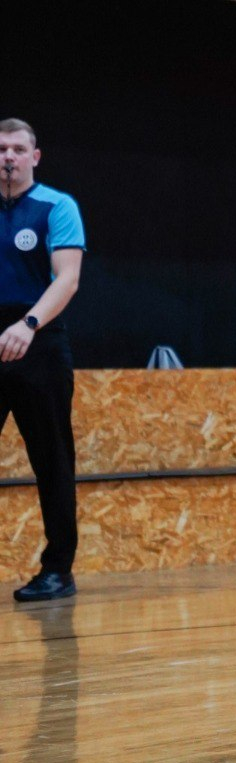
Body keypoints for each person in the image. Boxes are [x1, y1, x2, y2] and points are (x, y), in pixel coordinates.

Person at [1, 118, 83, 602]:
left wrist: (28, 324)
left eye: (17, 148)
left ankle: (58, 570)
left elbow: (67, 278)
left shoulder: (57, 206)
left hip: (39, 338)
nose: (8, 156)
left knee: (53, 459)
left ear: (34, 157)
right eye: (1, 149)